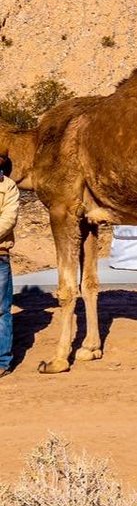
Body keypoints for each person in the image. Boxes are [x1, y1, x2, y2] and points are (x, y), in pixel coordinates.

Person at [0, 153, 20, 377]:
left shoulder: (8, 187)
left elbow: (8, 218)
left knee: (1, 310)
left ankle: (2, 361)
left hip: (0, 252)